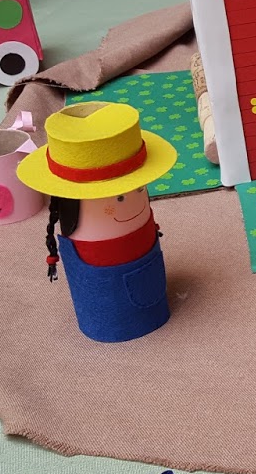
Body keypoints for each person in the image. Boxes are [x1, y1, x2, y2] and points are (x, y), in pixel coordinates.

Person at [16, 102, 177, 342]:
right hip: (103, 312)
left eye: (140, 188)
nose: (133, 200)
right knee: (104, 307)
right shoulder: (80, 222)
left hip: (146, 262)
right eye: (119, 197)